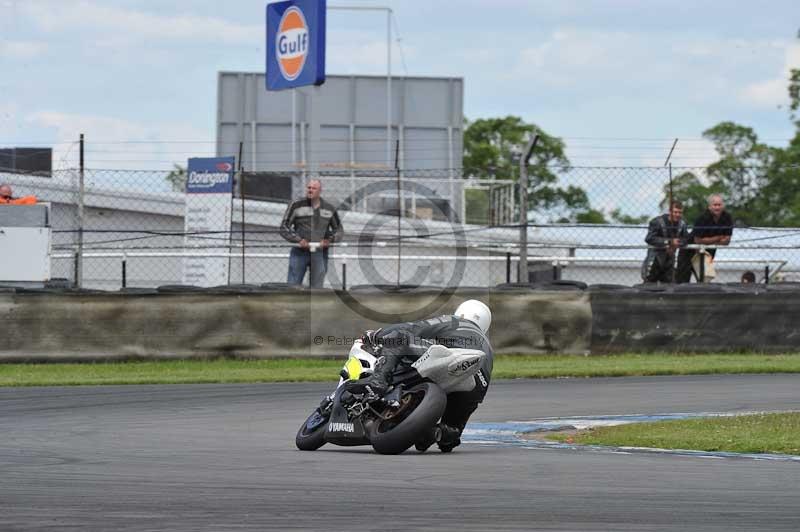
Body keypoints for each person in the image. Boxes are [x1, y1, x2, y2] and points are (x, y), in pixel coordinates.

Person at [354, 299, 493, 453]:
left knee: (400, 337)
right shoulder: (488, 348)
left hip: (452, 357)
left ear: (461, 313)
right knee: (451, 433)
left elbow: (413, 327)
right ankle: (437, 433)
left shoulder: (456, 321)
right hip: (476, 385)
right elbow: (480, 392)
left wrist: (378, 335)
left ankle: (378, 381)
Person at [279, 180, 342, 288]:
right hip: (299, 252)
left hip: (320, 253)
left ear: (320, 191)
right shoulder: (296, 205)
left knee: (316, 289)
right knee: (293, 287)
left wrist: (329, 240)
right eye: (309, 188)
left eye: (314, 188)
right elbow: (284, 227)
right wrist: (298, 240)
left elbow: (339, 230)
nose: (310, 190)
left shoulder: (329, 208)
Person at [676, 194, 734, 283]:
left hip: (708, 253)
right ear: (709, 207)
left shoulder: (727, 218)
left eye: (719, 205)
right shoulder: (702, 218)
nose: (717, 207)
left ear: (723, 206)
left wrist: (706, 241)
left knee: (705, 282)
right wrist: (718, 237)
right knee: (682, 282)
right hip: (688, 252)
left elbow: (726, 241)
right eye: (715, 205)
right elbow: (697, 240)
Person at [642, 200, 689, 283]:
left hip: (670, 259)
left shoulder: (682, 224)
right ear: (670, 211)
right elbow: (649, 238)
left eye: (680, 212)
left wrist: (678, 243)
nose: (677, 215)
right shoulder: (657, 222)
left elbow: (686, 238)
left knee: (669, 285)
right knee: (649, 283)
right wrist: (669, 242)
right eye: (675, 212)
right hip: (655, 258)